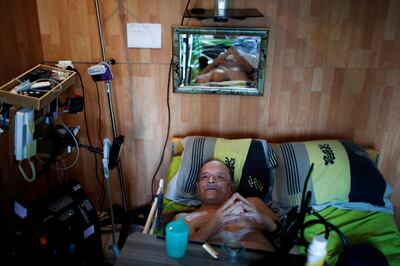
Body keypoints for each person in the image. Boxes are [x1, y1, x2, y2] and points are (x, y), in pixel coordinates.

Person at [174, 160, 279, 251]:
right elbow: (183, 253)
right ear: (197, 187)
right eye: (205, 177)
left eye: (220, 177)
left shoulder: (253, 204)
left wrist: (264, 220)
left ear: (231, 188)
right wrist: (210, 226)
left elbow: (286, 240)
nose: (211, 181)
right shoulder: (185, 219)